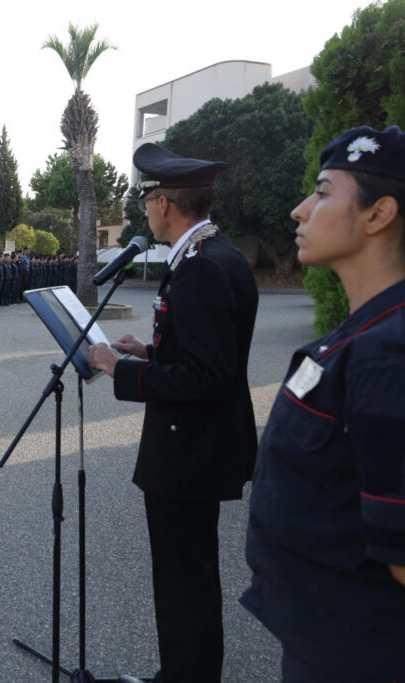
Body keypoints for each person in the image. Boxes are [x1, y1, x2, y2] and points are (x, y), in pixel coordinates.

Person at [87, 143, 258, 683]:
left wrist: (118, 368)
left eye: (146, 199)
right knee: (191, 578)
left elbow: (208, 378)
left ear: (164, 202)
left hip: (189, 452)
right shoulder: (216, 254)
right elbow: (209, 355)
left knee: (184, 581)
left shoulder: (201, 269)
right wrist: (151, 352)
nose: (144, 210)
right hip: (200, 447)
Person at [240, 125, 405, 683]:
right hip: (325, 639)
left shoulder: (390, 356)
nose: (298, 210)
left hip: (361, 655)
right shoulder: (364, 334)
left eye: (324, 191)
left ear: (378, 214)